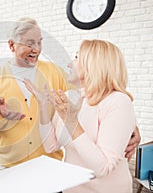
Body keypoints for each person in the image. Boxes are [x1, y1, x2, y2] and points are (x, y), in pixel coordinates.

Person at [24, 39, 137, 192]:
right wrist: (43, 107)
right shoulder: (70, 97)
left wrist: (71, 121)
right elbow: (51, 146)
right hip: (71, 188)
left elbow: (102, 168)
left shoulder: (117, 101)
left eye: (77, 57)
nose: (70, 64)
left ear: (93, 64)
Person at [0, 17, 68, 168]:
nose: (36, 49)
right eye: (29, 43)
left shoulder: (55, 72)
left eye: (39, 42)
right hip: (10, 166)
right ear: (12, 45)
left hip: (50, 165)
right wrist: (1, 116)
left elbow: (87, 97)